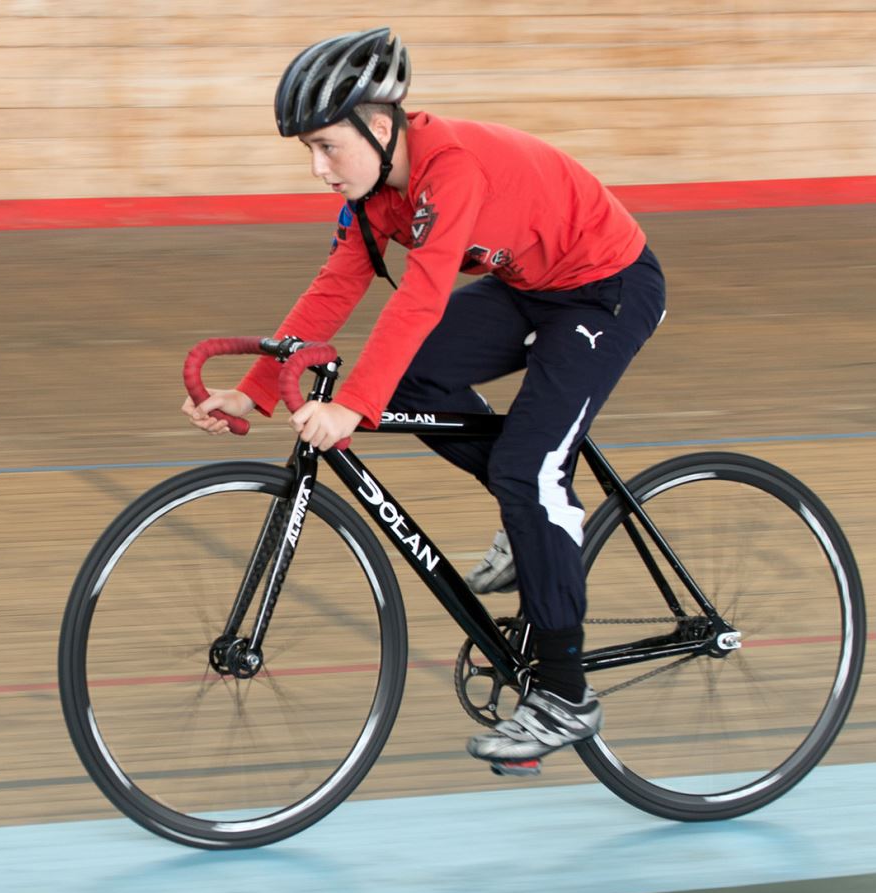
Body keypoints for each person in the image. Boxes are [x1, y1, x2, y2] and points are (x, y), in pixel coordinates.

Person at [182, 27, 667, 777]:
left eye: (326, 147)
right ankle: (527, 508)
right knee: (413, 385)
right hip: (531, 287)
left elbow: (421, 298)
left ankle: (568, 695)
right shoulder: (374, 192)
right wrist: (253, 394)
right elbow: (336, 285)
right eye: (307, 151)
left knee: (527, 468)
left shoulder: (452, 170)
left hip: (608, 288)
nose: (317, 169)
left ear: (380, 128)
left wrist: (349, 408)